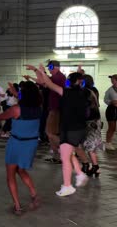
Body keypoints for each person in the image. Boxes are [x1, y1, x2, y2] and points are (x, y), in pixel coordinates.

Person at [34, 67, 90, 197]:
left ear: (70, 82)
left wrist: (42, 73)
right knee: (68, 153)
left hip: (69, 129)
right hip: (80, 129)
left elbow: (49, 84)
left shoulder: (66, 92)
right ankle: (80, 174)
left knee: (65, 158)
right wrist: (79, 72)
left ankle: (67, 186)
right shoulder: (85, 92)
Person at [0, 81, 42, 215]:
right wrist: (16, 92)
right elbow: (25, 99)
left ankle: (17, 206)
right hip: (31, 144)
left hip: (16, 144)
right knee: (21, 170)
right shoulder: (39, 107)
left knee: (10, 175)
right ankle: (34, 194)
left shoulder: (16, 109)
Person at [42, 61, 66, 164]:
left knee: (50, 133)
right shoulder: (56, 77)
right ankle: (57, 156)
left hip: (56, 109)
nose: (49, 69)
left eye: (50, 67)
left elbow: (46, 83)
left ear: (56, 67)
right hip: (53, 108)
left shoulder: (59, 77)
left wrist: (38, 71)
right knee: (51, 134)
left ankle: (64, 150)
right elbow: (43, 82)